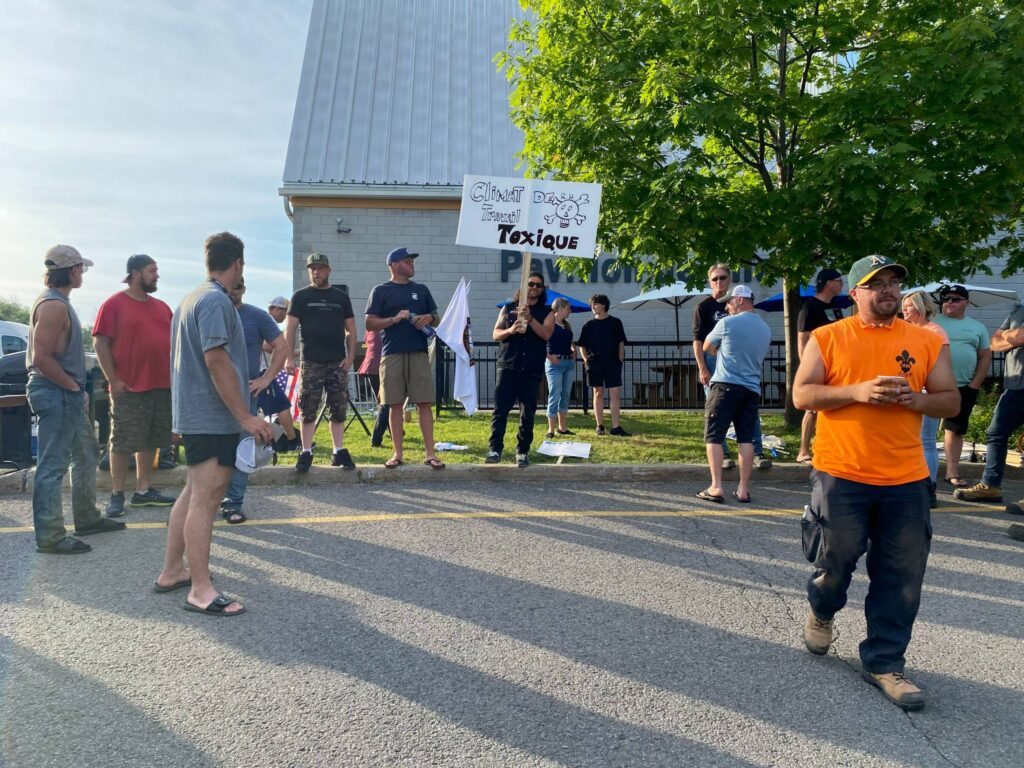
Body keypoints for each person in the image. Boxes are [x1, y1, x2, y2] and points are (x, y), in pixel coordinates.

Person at [792, 254, 958, 711]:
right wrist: (857, 391)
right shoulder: (829, 337)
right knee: (835, 561)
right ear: (855, 293)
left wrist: (915, 400)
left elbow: (949, 401)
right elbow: (802, 394)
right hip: (841, 472)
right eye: (876, 283)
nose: (888, 289)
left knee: (902, 575)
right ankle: (823, 609)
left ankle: (884, 663)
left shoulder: (925, 340)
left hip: (906, 478)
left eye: (893, 282)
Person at [154, 232, 272, 615]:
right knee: (206, 501)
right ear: (238, 263)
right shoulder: (216, 301)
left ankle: (172, 571)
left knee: (192, 493)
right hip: (212, 417)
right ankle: (200, 590)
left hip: (196, 414)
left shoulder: (190, 299)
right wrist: (244, 416)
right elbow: (216, 360)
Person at [26, 245, 126, 554]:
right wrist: (73, 387)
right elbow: (42, 357)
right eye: (81, 268)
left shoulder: (55, 302)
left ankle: (87, 519)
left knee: (85, 453)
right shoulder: (54, 306)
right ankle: (50, 537)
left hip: (61, 392)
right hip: (56, 392)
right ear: (72, 271)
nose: (83, 273)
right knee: (52, 465)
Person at [92, 254, 176, 518]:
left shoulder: (162, 307)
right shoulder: (114, 304)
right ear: (135, 274)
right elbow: (100, 343)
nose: (157, 275)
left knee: (151, 438)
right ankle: (117, 493)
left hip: (161, 385)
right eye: (152, 270)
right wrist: (113, 379)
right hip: (129, 387)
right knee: (122, 441)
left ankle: (143, 490)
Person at [365, 247, 445, 469]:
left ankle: (430, 454)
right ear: (393, 264)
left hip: (418, 352)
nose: (412, 264)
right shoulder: (380, 290)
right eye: (407, 261)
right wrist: (394, 319)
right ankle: (397, 454)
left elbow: (436, 318)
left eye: (412, 261)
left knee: (424, 403)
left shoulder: (421, 289)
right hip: (391, 354)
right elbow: (370, 323)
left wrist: (428, 318)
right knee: (394, 405)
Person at [219, 279, 289, 523]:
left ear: (244, 289)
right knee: (214, 450)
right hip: (213, 395)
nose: (232, 290)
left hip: (246, 394)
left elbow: (282, 347)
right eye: (228, 286)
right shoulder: (211, 312)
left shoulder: (257, 316)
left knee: (244, 449)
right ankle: (206, 501)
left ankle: (233, 503)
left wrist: (266, 379)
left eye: (237, 286)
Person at [697, 285, 770, 503]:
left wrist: (721, 352)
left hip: (725, 386)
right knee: (746, 438)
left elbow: (707, 346)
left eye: (729, 302)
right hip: (751, 389)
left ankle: (716, 486)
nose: (726, 307)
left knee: (714, 436)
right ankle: (743, 490)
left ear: (739, 300)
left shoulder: (727, 323)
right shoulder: (765, 329)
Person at [284, 253, 357, 473]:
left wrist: (351, 356)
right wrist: (289, 358)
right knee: (308, 407)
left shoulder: (340, 297)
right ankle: (306, 451)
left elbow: (351, 329)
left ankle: (338, 450)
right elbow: (290, 329)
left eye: (320, 268)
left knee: (339, 407)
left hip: (337, 361)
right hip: (311, 361)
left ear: (328, 270)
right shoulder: (300, 296)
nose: (316, 272)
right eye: (312, 268)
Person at [952, 301, 1024, 504]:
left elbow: (1017, 337)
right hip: (1014, 386)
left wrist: (1009, 336)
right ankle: (990, 486)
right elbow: (994, 342)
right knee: (996, 433)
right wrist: (1013, 337)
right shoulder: (1018, 311)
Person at [485, 271, 555, 466]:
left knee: (527, 412)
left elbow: (546, 334)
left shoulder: (547, 312)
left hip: (531, 368)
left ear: (542, 290)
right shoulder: (508, 308)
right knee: (500, 410)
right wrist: (510, 329)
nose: (533, 288)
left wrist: (530, 319)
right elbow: (495, 334)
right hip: (508, 365)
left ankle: (522, 451)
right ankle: (495, 449)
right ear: (524, 286)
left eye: (538, 285)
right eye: (530, 284)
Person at [933, 285, 990, 488]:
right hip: (931, 385)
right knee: (920, 429)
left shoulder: (977, 327)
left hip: (963, 385)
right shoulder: (931, 323)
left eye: (955, 299)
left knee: (955, 429)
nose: (949, 301)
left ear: (966, 302)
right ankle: (918, 469)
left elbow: (985, 356)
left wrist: (975, 384)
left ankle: (952, 471)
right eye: (946, 298)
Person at [901, 290, 950, 507]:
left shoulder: (935, 332)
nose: (904, 309)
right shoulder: (906, 330)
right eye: (903, 305)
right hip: (908, 392)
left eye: (909, 305)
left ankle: (929, 488)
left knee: (927, 441)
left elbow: (942, 365)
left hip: (927, 393)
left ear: (922, 307)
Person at [795, 268, 844, 464]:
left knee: (834, 405)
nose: (842, 284)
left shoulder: (835, 306)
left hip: (837, 364)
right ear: (828, 283)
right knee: (812, 408)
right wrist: (806, 366)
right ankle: (803, 451)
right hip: (817, 364)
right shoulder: (809, 307)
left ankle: (829, 447)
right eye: (839, 281)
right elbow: (802, 339)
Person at [578, 294, 630, 436]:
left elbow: (621, 342)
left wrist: (620, 359)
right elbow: (582, 345)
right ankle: (599, 425)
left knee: (615, 394)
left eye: (595, 304)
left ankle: (616, 427)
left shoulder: (616, 323)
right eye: (592, 304)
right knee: (598, 393)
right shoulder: (588, 325)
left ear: (604, 305)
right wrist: (586, 360)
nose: (593, 307)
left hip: (613, 363)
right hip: (594, 363)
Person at [259, 295, 299, 450]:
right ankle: (292, 440)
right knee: (282, 405)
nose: (285, 316)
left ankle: (279, 436)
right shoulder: (267, 322)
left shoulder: (261, 320)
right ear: (276, 309)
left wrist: (291, 352)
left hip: (257, 371)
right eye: (285, 312)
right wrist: (287, 351)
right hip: (262, 373)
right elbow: (266, 346)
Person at [544, 297, 576, 438]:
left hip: (568, 363)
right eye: (568, 308)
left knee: (566, 395)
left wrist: (573, 349)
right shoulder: (549, 324)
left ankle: (562, 427)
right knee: (555, 394)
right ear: (561, 308)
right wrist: (549, 357)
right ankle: (551, 429)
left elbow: (569, 341)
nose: (570, 310)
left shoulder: (566, 325)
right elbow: (540, 342)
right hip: (554, 364)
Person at [357, 328, 390, 448]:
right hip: (381, 365)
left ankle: (395, 432)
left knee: (384, 402)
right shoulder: (386, 324)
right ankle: (376, 439)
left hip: (370, 366)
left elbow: (366, 341)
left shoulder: (371, 325)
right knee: (386, 403)